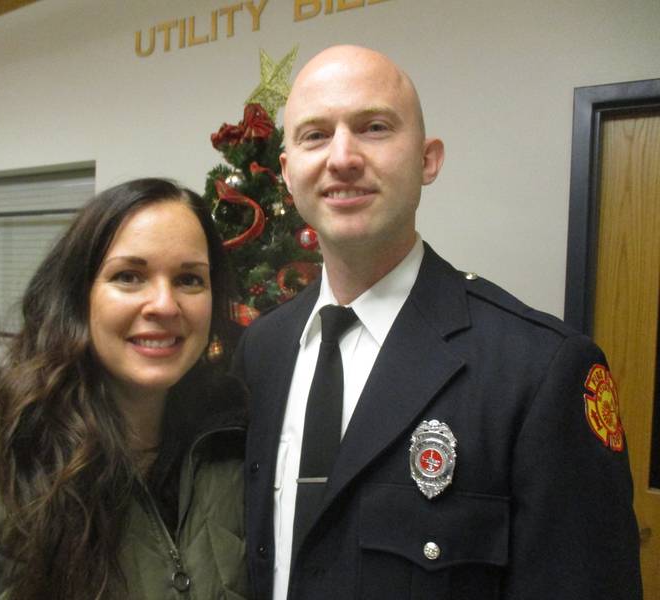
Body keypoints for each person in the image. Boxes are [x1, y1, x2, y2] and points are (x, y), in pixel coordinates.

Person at [234, 45, 642, 600]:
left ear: (428, 160)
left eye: (374, 127)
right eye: (314, 135)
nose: (342, 156)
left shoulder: (539, 371)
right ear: (287, 173)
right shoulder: (262, 351)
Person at [0, 178, 249, 600]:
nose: (164, 304)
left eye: (189, 279)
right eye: (129, 276)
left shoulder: (230, 450)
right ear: (78, 296)